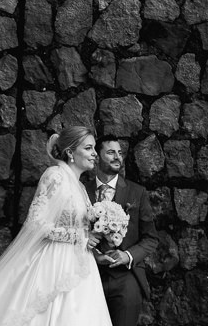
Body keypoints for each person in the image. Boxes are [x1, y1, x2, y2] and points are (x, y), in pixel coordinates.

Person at [0, 125, 112, 326]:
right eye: (89, 148)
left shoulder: (81, 187)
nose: (94, 154)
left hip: (81, 265)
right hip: (55, 262)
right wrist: (78, 236)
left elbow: (80, 228)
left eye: (93, 149)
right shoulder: (55, 175)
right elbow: (36, 223)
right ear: (70, 152)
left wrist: (94, 244)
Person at [85, 135, 158, 326]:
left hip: (127, 275)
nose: (117, 157)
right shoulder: (82, 191)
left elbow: (151, 238)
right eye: (110, 152)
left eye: (120, 152)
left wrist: (128, 255)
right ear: (97, 156)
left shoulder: (137, 192)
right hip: (90, 274)